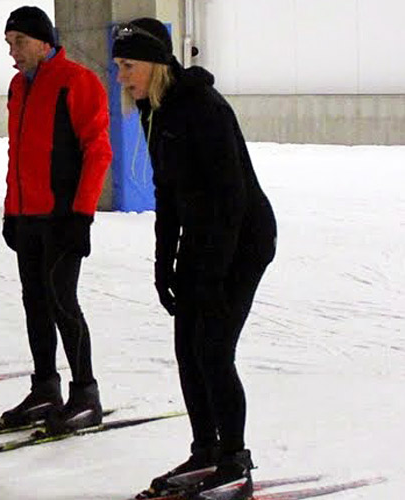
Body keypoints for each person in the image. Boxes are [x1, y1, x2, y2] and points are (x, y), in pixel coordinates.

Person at [114, 19, 277, 500]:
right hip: (204, 238)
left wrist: (211, 274)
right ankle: (206, 450)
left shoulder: (204, 109)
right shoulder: (153, 109)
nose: (121, 77)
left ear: (156, 64)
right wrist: (165, 263)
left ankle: (235, 461)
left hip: (242, 240)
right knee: (188, 348)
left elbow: (230, 198)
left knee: (212, 348)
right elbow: (167, 192)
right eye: (118, 66)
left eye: (128, 66)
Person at [0, 6, 112, 434]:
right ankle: (45, 388)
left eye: (20, 42)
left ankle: (86, 394)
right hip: (27, 217)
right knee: (34, 303)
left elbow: (97, 151)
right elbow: (17, 154)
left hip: (62, 218)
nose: (13, 52)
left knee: (63, 301)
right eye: (9, 44)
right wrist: (12, 210)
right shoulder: (17, 87)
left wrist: (81, 215)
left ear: (45, 41)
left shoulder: (76, 81)